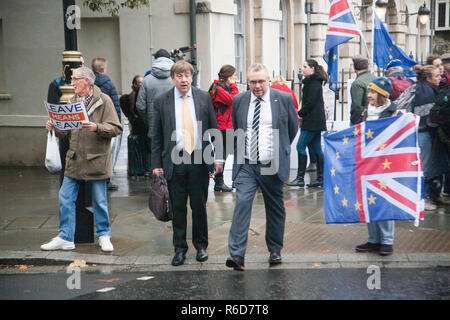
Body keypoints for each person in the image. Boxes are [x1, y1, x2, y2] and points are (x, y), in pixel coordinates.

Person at [41, 66, 122, 252]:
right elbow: (65, 133)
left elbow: (116, 128)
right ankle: (66, 237)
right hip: (75, 159)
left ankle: (104, 235)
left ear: (86, 81)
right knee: (65, 197)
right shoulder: (72, 101)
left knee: (100, 201)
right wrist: (54, 125)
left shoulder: (104, 100)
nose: (72, 83)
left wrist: (97, 127)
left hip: (96, 159)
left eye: (75, 79)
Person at [225, 63, 298, 271]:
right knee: (242, 204)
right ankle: (237, 255)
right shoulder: (239, 100)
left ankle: (275, 250)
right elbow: (237, 129)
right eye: (252, 82)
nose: (257, 86)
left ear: (268, 80)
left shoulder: (282, 99)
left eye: (261, 81)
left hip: (271, 164)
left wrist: (280, 150)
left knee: (275, 208)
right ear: (247, 82)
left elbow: (292, 129)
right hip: (247, 164)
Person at [151, 60, 224, 266]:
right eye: (179, 76)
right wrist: (156, 164)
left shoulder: (203, 98)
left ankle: (201, 246)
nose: (184, 80)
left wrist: (218, 156)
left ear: (192, 77)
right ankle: (180, 248)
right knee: (177, 207)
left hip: (199, 160)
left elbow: (214, 129)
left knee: (199, 206)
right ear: (173, 79)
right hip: (174, 161)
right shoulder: (162, 101)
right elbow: (156, 136)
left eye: (187, 76)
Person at [355, 77, 398, 256]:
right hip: (368, 161)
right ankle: (374, 239)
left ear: (381, 94)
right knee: (369, 200)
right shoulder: (367, 111)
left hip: (385, 163)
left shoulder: (393, 112)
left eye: (372, 92)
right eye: (369, 92)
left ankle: (387, 240)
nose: (369, 95)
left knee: (383, 200)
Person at [287, 59, 328, 188]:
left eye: (305, 67)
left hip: (312, 121)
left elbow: (310, 103)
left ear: (312, 69)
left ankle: (300, 178)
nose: (303, 69)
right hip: (315, 120)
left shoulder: (314, 83)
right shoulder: (313, 82)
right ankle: (321, 178)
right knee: (316, 148)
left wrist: (300, 113)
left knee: (300, 146)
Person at [136, 48, 175, 177]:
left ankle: (158, 184)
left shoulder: (147, 80)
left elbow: (140, 105)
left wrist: (149, 119)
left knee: (156, 152)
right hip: (173, 123)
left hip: (153, 123)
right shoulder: (175, 79)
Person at [412, 64, 444, 210]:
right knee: (423, 165)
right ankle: (422, 198)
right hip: (424, 132)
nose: (440, 78)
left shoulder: (424, 87)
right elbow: (427, 116)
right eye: (437, 76)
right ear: (428, 78)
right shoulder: (425, 91)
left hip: (423, 132)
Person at [91, 57, 122, 191]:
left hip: (93, 124)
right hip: (107, 123)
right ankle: (107, 179)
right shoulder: (109, 85)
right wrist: (118, 124)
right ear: (104, 69)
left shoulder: (90, 84)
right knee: (108, 153)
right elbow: (116, 106)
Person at [208, 64, 239, 192]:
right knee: (221, 154)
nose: (236, 78)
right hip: (222, 126)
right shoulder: (219, 88)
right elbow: (234, 100)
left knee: (226, 153)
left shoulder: (222, 87)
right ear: (228, 77)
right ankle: (219, 182)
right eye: (234, 75)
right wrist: (234, 85)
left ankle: (226, 181)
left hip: (227, 125)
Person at [350, 55, 376, 125]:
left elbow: (357, 106)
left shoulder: (357, 83)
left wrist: (354, 121)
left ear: (354, 67)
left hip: (363, 119)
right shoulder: (375, 78)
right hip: (376, 116)